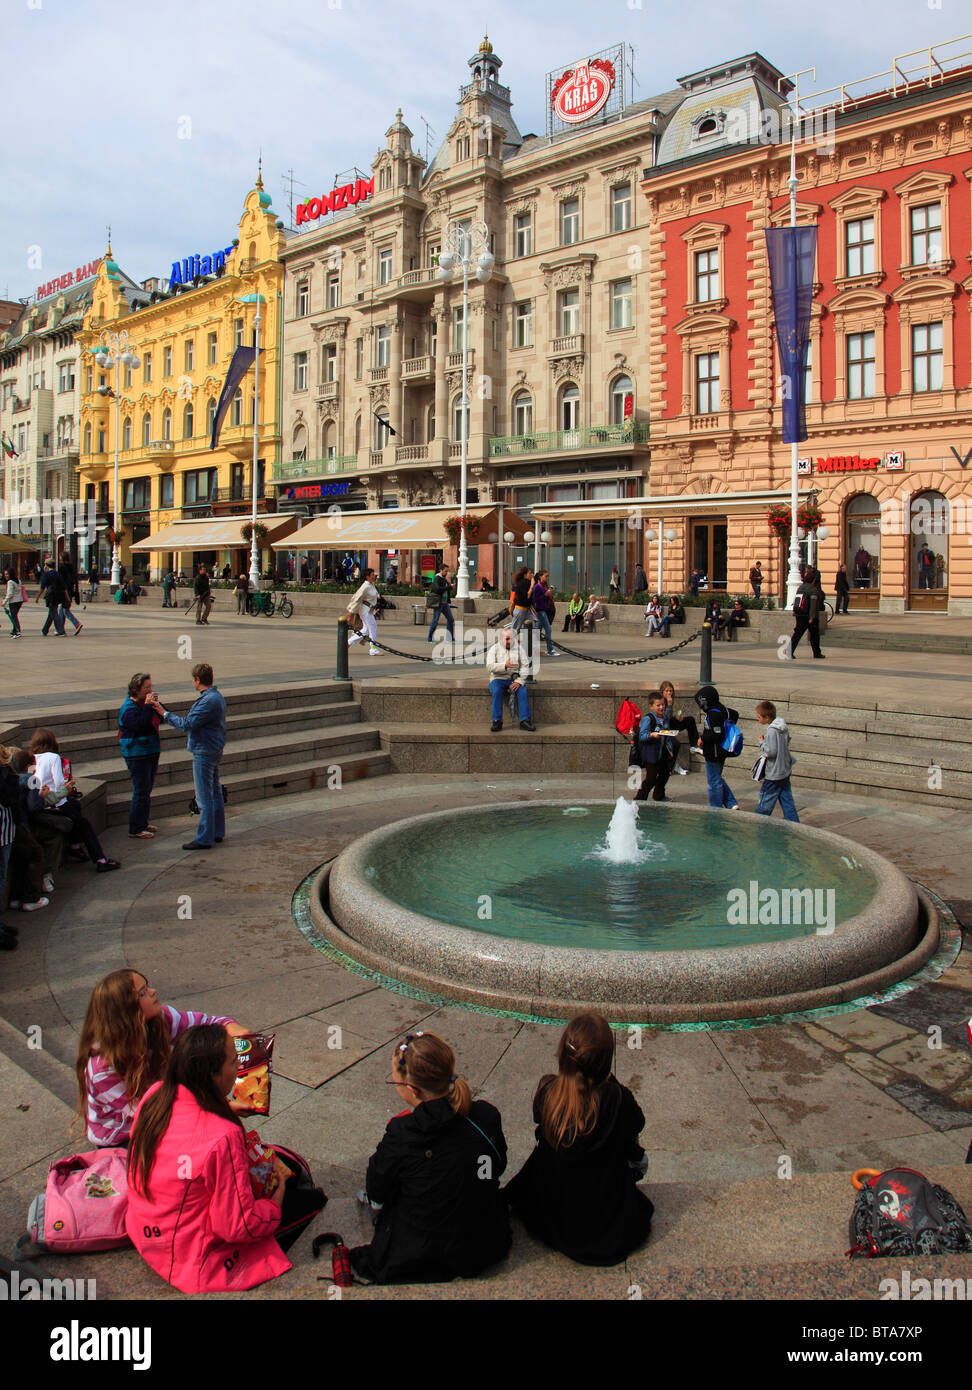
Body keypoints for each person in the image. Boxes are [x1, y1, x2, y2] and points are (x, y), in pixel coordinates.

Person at [126, 1025, 310, 1292]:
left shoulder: (155, 1095)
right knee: (305, 1193)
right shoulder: (223, 1135)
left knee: (279, 1160)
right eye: (234, 1062)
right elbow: (237, 1226)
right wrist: (275, 1206)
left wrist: (222, 1106)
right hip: (189, 1257)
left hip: (145, 1227)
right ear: (212, 1074)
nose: (238, 1069)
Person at [349, 1031, 511, 1285]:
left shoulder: (402, 1133)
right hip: (482, 1246)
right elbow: (496, 1168)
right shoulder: (486, 1116)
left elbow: (377, 1190)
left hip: (419, 1254)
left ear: (413, 1089)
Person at [505, 1013, 653, 1266]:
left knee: (544, 1153)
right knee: (636, 1157)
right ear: (606, 1063)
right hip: (608, 1224)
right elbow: (635, 1127)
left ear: (563, 1056)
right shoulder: (618, 1098)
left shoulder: (547, 1091)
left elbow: (542, 1134)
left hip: (559, 1218)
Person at [76, 969, 249, 1147]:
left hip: (161, 1106)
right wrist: (216, 1108)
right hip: (123, 1137)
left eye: (147, 987)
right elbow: (149, 1112)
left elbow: (202, 1023)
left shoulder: (160, 1019)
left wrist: (230, 1027)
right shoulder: (102, 1068)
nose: (153, 992)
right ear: (127, 1012)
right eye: (142, 993)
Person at [148, 663, 226, 850]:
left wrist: (164, 713)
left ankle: (204, 837)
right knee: (214, 791)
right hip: (213, 748)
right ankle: (217, 832)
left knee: (204, 796)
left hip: (204, 751)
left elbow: (187, 724)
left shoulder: (208, 701)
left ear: (197, 680)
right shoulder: (216, 697)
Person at [27, 729, 121, 870]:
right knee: (84, 824)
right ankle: (101, 860)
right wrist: (68, 786)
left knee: (75, 806)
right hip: (56, 802)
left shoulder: (31, 758)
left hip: (40, 804)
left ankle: (75, 845)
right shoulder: (53, 757)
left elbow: (32, 782)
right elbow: (59, 783)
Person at [119, 673, 162, 840]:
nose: (150, 690)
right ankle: (136, 827)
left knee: (147, 789)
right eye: (146, 688)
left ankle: (143, 822)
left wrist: (155, 704)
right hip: (136, 753)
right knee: (141, 790)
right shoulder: (128, 709)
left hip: (150, 750)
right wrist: (148, 705)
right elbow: (142, 724)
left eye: (150, 687)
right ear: (136, 689)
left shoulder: (145, 704)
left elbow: (160, 718)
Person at [753, 700, 799, 823]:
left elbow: (771, 752)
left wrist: (762, 742)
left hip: (774, 773)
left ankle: (759, 823)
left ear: (767, 717)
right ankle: (794, 823)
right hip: (784, 770)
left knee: (765, 801)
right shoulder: (782, 726)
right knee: (787, 800)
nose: (758, 719)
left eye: (759, 717)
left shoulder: (772, 730)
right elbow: (787, 741)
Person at [695, 684, 739, 810]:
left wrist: (702, 738)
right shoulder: (723, 709)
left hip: (713, 752)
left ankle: (716, 808)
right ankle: (731, 803)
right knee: (717, 777)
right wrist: (729, 726)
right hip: (722, 751)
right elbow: (735, 714)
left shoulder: (713, 714)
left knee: (713, 782)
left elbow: (717, 734)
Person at [487, 628, 535, 732]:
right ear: (501, 639)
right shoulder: (494, 649)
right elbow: (489, 666)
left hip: (515, 679)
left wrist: (519, 681)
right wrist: (504, 665)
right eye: (507, 639)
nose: (510, 641)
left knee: (522, 691)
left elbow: (525, 666)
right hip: (498, 679)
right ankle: (497, 721)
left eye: (511, 639)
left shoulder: (519, 649)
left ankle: (525, 720)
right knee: (497, 691)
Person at [633, 691, 674, 802]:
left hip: (661, 753)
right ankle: (639, 798)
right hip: (650, 753)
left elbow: (667, 735)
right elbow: (642, 736)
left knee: (665, 774)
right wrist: (651, 735)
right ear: (651, 706)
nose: (661, 707)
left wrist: (670, 750)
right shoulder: (648, 719)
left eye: (663, 705)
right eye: (658, 705)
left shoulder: (664, 718)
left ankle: (659, 795)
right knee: (651, 778)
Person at [659, 680, 701, 778]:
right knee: (675, 744)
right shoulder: (661, 702)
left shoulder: (670, 700)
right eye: (667, 691)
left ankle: (694, 745)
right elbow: (664, 719)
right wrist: (669, 706)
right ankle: (671, 767)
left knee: (690, 720)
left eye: (671, 691)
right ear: (662, 692)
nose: (669, 693)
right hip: (663, 727)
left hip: (670, 723)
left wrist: (678, 716)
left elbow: (672, 715)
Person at [789, 564, 825, 659]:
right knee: (814, 636)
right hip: (809, 616)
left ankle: (789, 651)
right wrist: (812, 617)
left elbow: (796, 600)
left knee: (797, 634)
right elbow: (813, 604)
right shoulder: (813, 590)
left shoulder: (800, 587)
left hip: (799, 614)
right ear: (813, 580)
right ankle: (817, 653)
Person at [347, 567, 381, 656]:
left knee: (365, 630)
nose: (374, 576)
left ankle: (348, 643)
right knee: (373, 628)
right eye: (372, 575)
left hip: (369, 610)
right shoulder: (365, 586)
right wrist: (350, 612)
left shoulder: (371, 585)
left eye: (374, 575)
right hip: (365, 611)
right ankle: (373, 649)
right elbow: (356, 598)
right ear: (367, 577)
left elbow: (373, 594)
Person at [530, 570, 559, 656]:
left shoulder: (544, 586)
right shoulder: (537, 587)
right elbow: (535, 599)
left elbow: (546, 596)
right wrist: (545, 595)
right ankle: (550, 650)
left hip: (544, 609)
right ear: (540, 576)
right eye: (546, 576)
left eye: (547, 576)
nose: (547, 577)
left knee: (536, 630)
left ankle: (531, 648)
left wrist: (549, 595)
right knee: (548, 629)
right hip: (540, 610)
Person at [425, 562, 456, 643]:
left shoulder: (443, 578)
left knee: (451, 619)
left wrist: (450, 586)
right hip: (438, 603)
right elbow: (437, 589)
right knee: (435, 620)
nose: (447, 573)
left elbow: (445, 589)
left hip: (444, 603)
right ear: (441, 570)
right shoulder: (437, 578)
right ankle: (430, 638)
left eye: (447, 571)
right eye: (445, 571)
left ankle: (449, 637)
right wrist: (449, 587)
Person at [36, 562, 66, 636]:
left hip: (50, 596)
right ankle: (45, 630)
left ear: (47, 566)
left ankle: (60, 630)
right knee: (51, 613)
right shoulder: (58, 574)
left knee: (54, 613)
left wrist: (38, 597)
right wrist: (67, 597)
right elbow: (64, 587)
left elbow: (42, 587)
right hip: (58, 595)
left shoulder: (46, 575)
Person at [508, 565, 533, 634]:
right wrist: (532, 586)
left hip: (527, 610)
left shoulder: (528, 583)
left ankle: (529, 642)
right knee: (515, 630)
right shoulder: (522, 583)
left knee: (534, 625)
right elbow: (526, 597)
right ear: (525, 575)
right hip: (520, 610)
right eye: (530, 573)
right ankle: (510, 643)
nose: (532, 575)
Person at [3, 567, 24, 638]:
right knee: (14, 616)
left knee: (14, 617)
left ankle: (18, 631)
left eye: (7, 574)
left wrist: (4, 602)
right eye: (5, 574)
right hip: (19, 601)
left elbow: (10, 593)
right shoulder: (18, 580)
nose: (5, 576)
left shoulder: (10, 582)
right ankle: (14, 630)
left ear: (10, 574)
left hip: (14, 602)